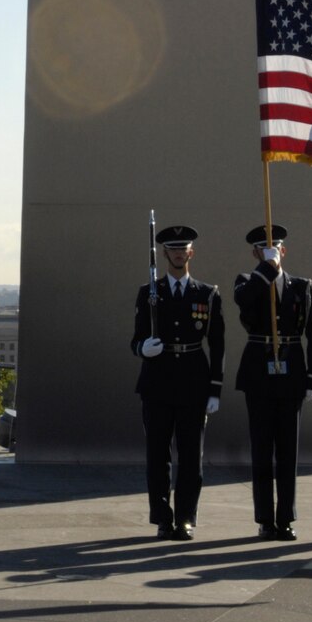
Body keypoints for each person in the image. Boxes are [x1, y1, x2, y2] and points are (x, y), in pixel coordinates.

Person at [129, 224, 225, 540]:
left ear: (191, 253)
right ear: (165, 254)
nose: (179, 254)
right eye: (173, 249)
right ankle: (162, 517)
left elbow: (218, 344)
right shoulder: (149, 292)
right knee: (158, 456)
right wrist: (144, 348)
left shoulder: (207, 294)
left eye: (183, 249)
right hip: (157, 382)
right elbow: (136, 339)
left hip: (193, 383)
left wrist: (215, 388)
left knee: (190, 457)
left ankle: (185, 517)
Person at [233, 224, 312, 540]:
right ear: (256, 253)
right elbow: (244, 303)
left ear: (283, 250)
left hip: (292, 374)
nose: (271, 253)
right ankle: (264, 518)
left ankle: (285, 517)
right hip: (258, 374)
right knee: (261, 450)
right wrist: (264, 270)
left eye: (275, 249)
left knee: (288, 450)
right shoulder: (246, 281)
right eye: (263, 249)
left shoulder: (301, 286)